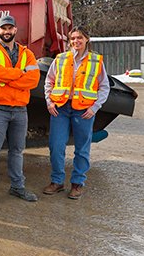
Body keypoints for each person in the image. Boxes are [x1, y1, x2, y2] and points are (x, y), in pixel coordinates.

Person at [0, 15, 41, 204]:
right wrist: (19, 75)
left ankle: (17, 187)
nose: (7, 31)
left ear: (15, 30)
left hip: (20, 110)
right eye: (3, 28)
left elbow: (34, 79)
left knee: (17, 150)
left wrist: (7, 80)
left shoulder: (26, 53)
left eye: (10, 28)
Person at [43, 26, 110, 199]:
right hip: (60, 109)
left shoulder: (96, 61)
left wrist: (94, 107)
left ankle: (77, 183)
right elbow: (49, 81)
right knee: (56, 146)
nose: (76, 41)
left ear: (87, 39)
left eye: (79, 38)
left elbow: (104, 86)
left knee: (82, 148)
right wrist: (49, 102)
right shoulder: (60, 59)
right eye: (72, 38)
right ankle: (57, 181)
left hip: (83, 110)